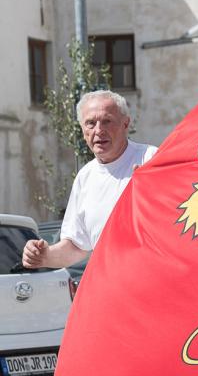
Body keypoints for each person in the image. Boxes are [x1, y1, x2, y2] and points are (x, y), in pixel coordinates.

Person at [22, 91, 157, 270]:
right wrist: (44, 256)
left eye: (107, 121)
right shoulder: (85, 177)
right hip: (113, 286)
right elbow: (77, 246)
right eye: (90, 123)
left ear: (125, 124)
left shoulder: (151, 159)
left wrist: (153, 197)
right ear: (82, 130)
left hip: (154, 281)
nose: (99, 130)